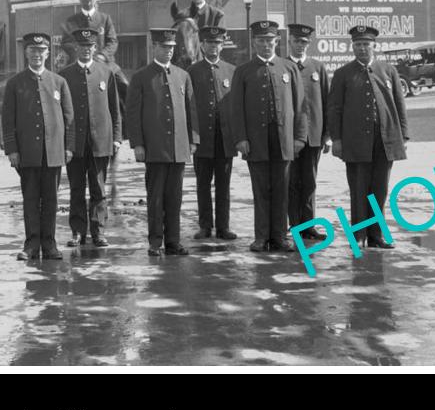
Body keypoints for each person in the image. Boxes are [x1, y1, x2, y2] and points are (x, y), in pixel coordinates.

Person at [327, 25, 409, 250]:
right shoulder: (343, 74)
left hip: (385, 140)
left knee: (380, 189)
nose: (362, 49)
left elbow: (399, 105)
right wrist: (337, 139)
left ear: (375, 46)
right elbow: (334, 109)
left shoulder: (388, 70)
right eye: (358, 45)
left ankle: (376, 235)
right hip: (355, 141)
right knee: (359, 189)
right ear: (352, 47)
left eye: (366, 44)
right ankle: (359, 235)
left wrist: (403, 135)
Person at [230, 21, 307, 253]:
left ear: (277, 41)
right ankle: (261, 237)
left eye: (269, 40)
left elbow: (301, 106)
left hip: (283, 140)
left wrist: (298, 138)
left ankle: (280, 237)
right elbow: (237, 109)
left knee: (282, 189)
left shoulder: (288, 68)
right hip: (256, 141)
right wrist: (241, 138)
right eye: (261, 40)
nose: (265, 45)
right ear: (254, 43)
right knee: (261, 190)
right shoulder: (243, 71)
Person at [2, 32, 74, 261]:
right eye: (32, 51)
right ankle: (31, 244)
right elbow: (8, 120)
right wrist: (12, 150)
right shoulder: (15, 83)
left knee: (51, 199)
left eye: (41, 51)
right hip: (28, 154)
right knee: (31, 199)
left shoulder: (58, 82)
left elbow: (69, 118)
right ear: (26, 53)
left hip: (53, 153)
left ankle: (50, 244)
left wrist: (68, 147)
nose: (37, 55)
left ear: (48, 53)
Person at [127, 28, 198, 256]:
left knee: (175, 198)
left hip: (178, 148)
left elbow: (190, 110)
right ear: (154, 48)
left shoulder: (182, 75)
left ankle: (173, 241)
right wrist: (137, 144)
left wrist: (193, 140)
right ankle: (155, 241)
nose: (168, 52)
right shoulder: (141, 77)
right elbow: (133, 114)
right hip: (155, 148)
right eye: (164, 47)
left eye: (171, 48)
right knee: (155, 198)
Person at [59, 28, 121, 248]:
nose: (86, 51)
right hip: (75, 143)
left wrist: (116, 138)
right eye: (82, 47)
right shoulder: (65, 75)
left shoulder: (106, 72)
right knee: (76, 188)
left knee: (98, 188)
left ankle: (98, 231)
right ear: (76, 48)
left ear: (95, 48)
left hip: (100, 142)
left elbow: (114, 109)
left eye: (90, 47)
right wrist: (64, 143)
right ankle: (77, 231)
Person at [187, 26, 238, 241]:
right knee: (202, 184)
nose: (214, 47)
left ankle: (223, 226)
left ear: (222, 45)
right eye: (209, 43)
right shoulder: (192, 71)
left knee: (224, 185)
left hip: (225, 138)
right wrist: (193, 137)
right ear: (202, 45)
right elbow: (189, 107)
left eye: (217, 43)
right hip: (202, 139)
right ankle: (205, 226)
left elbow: (236, 107)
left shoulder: (231, 70)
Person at [286, 23, 330, 242]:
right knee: (292, 181)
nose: (301, 46)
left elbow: (326, 101)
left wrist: (327, 135)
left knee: (310, 181)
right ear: (289, 42)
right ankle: (294, 224)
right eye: (297, 41)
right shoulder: (282, 66)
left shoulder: (317, 67)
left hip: (313, 136)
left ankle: (309, 224)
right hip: (290, 137)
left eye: (304, 42)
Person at [60, 0, 118, 65]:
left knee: (121, 78)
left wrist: (102, 55)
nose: (88, 1)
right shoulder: (71, 21)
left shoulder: (105, 19)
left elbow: (113, 41)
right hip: (79, 62)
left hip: (103, 62)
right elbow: (66, 43)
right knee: (62, 77)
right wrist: (79, 54)